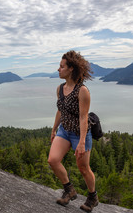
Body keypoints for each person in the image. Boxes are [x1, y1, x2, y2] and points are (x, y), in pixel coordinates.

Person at [48, 50, 98, 212]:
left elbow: (83, 118)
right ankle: (69, 190)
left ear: (71, 69)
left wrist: (82, 141)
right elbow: (60, 110)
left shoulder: (82, 91)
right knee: (53, 160)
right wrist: (54, 129)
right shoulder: (60, 88)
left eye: (62, 66)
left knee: (83, 168)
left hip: (79, 134)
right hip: (64, 130)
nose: (58, 69)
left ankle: (92, 197)